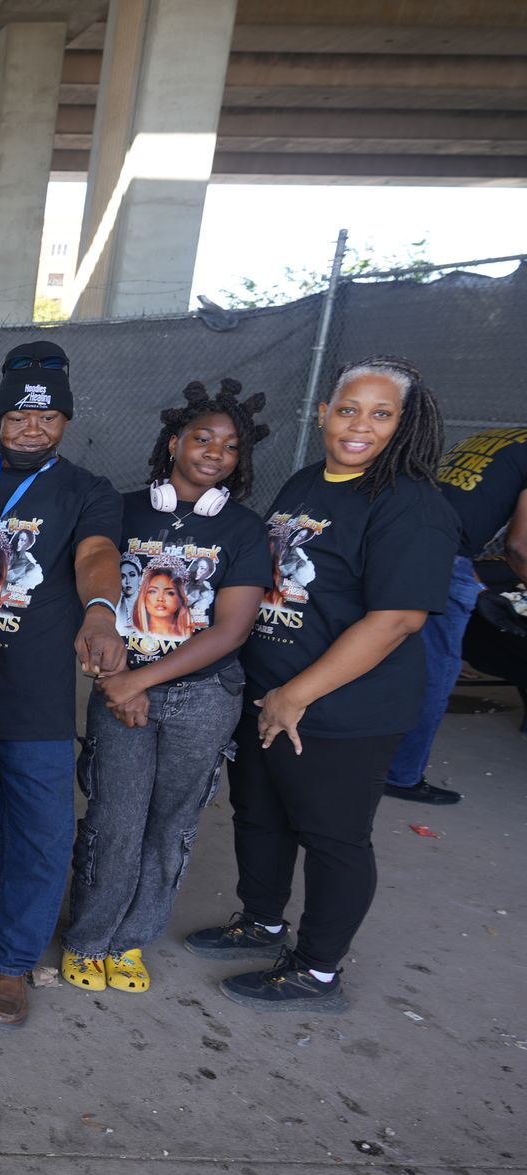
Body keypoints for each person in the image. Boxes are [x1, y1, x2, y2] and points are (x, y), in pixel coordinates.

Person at [187, 356, 456, 1012]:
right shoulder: (309, 481)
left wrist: (297, 695)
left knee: (331, 835)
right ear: (322, 413)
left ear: (405, 423)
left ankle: (317, 967)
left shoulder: (410, 504)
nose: (359, 425)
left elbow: (395, 620)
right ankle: (262, 921)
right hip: (270, 689)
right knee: (261, 815)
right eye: (348, 409)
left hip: (341, 708)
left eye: (381, 413)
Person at [0, 350, 125, 1030]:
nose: (31, 428)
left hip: (38, 695)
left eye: (47, 416)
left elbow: (97, 554)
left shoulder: (86, 490)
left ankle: (13, 959)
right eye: (18, 414)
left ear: (66, 422)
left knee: (43, 833)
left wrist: (102, 610)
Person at [65, 380, 272, 994]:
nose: (214, 452)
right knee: (115, 819)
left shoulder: (241, 528)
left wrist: (139, 681)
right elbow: (93, 596)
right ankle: (89, 937)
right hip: (119, 691)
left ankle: (130, 941)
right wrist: (113, 679)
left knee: (172, 824)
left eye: (230, 446)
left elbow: (232, 630)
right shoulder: (122, 510)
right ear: (174, 440)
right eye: (203, 437)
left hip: (201, 698)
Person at [383, 424, 527, 804]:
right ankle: (401, 775)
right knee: (435, 672)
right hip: (442, 555)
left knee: (391, 658)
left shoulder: (500, 437)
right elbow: (520, 548)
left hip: (399, 538)